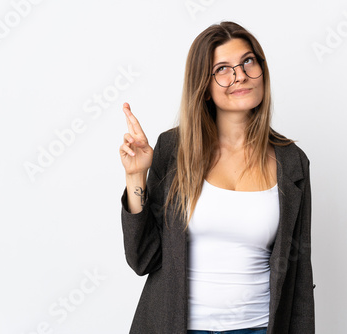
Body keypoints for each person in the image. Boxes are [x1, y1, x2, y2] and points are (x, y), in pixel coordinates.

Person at [119, 21, 315, 334]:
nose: (239, 75)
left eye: (247, 61)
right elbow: (143, 258)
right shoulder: (174, 150)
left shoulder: (292, 162)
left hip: (259, 327)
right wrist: (136, 175)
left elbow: (299, 276)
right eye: (222, 68)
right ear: (204, 88)